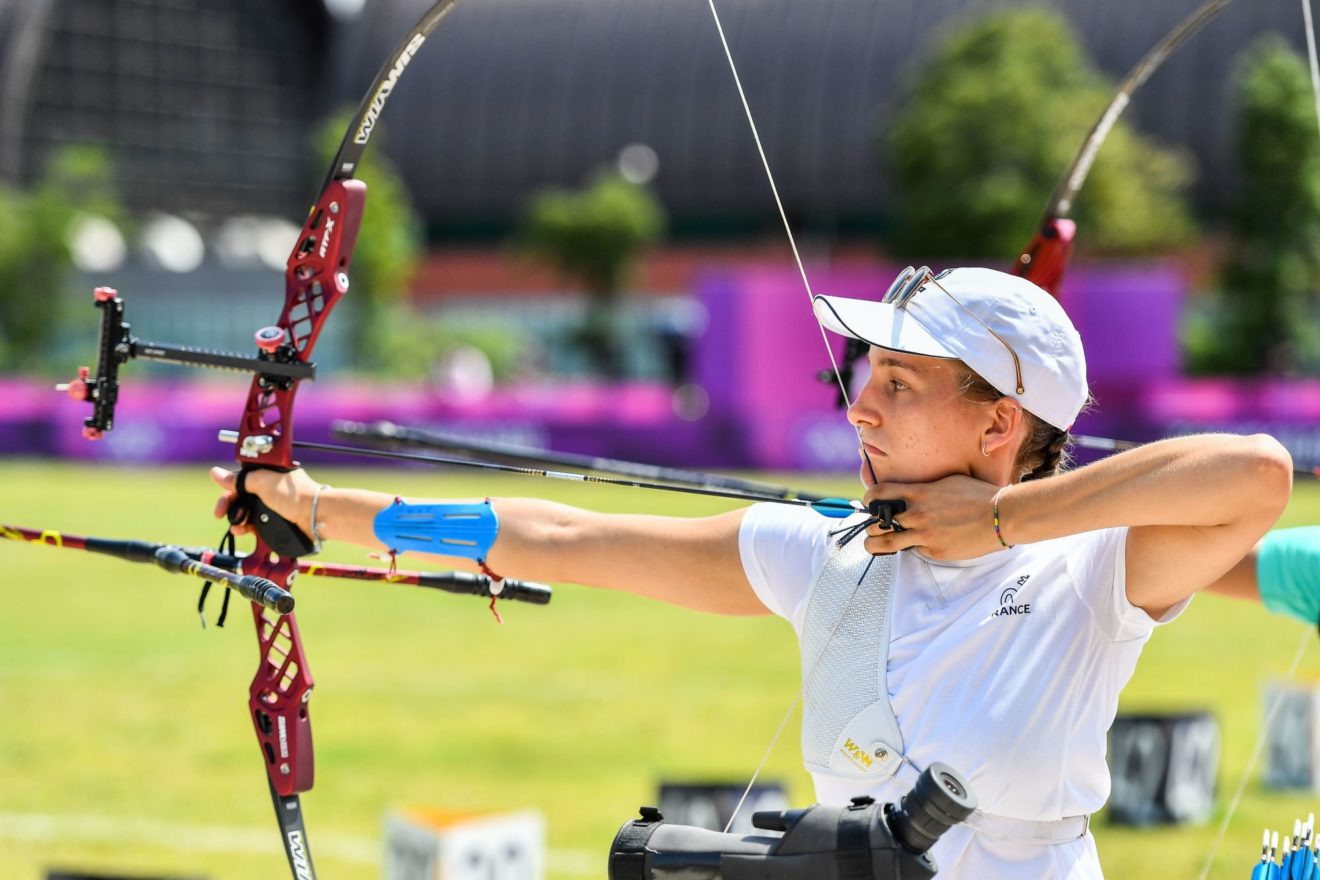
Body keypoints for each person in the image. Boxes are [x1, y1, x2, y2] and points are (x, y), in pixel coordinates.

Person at [212, 267, 1294, 879]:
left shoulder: (1096, 569)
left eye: (902, 385)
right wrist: (324, 509)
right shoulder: (823, 553)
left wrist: (1003, 518)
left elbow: (1256, 475)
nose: (860, 405)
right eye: (868, 376)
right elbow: (562, 539)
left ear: (1000, 422)